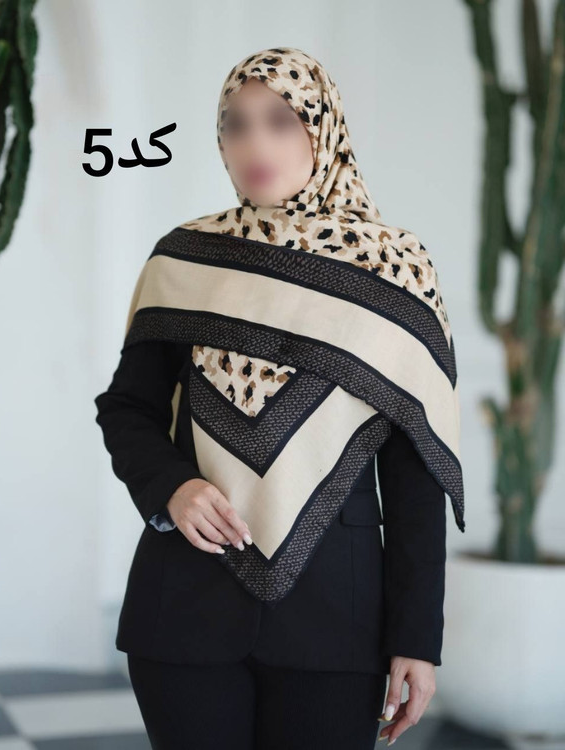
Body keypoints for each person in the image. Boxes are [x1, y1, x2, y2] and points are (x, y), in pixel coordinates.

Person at [94, 47, 464, 750]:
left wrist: (418, 639)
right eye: (236, 125)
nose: (255, 145)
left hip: (337, 622)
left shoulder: (395, 273)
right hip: (185, 608)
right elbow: (127, 408)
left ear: (323, 130)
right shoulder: (185, 259)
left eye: (281, 121)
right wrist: (172, 487)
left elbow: (416, 470)